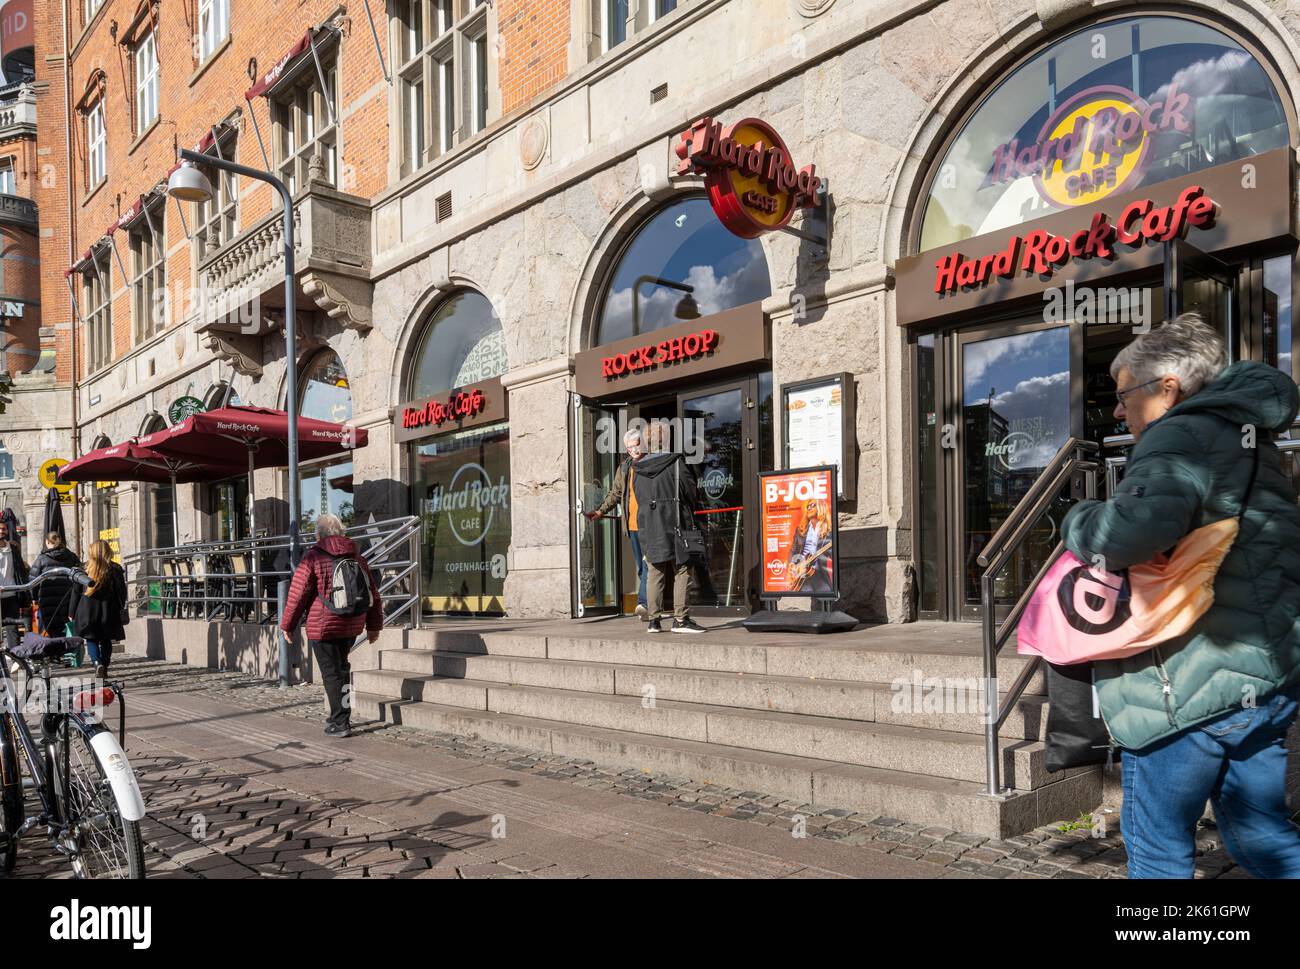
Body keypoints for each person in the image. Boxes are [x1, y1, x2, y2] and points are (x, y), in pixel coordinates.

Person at [1061, 313, 1300, 879]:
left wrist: (1079, 517)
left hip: (1188, 683)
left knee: (1158, 846)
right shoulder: (1247, 438)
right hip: (1262, 676)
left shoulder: (1181, 434)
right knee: (1260, 832)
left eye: (1124, 396)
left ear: (1166, 386)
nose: (1117, 411)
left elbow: (1125, 536)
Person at [280, 514, 384, 738]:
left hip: (324, 625)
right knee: (343, 669)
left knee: (332, 673)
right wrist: (373, 626)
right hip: (352, 623)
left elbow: (298, 595)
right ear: (342, 532)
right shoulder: (357, 557)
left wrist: (288, 625)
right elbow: (373, 594)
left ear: (318, 534)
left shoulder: (313, 557)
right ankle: (344, 715)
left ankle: (340, 721)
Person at [632, 423, 705, 634]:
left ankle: (653, 621)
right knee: (682, 569)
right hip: (675, 523)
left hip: (649, 524)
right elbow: (691, 492)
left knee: (655, 571)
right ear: (667, 439)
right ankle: (681, 620)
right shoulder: (675, 462)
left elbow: (638, 497)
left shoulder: (637, 468)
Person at [587, 427, 649, 618]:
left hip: (651, 524)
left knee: (650, 566)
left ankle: (645, 604)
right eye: (629, 448)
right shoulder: (624, 467)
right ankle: (651, 604)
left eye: (636, 445)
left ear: (644, 444)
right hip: (632, 526)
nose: (633, 450)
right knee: (641, 567)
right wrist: (600, 510)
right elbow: (615, 494)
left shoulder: (652, 463)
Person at [75, 540, 127, 679]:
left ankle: (97, 663)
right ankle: (104, 664)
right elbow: (121, 591)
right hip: (108, 610)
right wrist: (121, 605)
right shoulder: (114, 568)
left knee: (91, 639)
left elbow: (76, 591)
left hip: (88, 610)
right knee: (106, 640)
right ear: (107, 551)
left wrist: (71, 611)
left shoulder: (84, 568)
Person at [31, 532, 83, 637]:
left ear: (47, 542)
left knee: (48, 630)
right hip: (68, 599)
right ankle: (65, 651)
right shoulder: (72, 557)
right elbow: (80, 575)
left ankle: (53, 652)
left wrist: (34, 597)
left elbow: (33, 580)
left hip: (47, 600)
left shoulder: (42, 559)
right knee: (65, 630)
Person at [788, 498, 833, 594]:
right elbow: (793, 550)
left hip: (819, 574)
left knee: (828, 596)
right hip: (800, 573)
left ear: (821, 508)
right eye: (808, 506)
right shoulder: (801, 530)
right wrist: (792, 564)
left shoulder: (829, 532)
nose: (809, 508)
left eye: (813, 505)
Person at [0, 519, 30, 628]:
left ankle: (14, 646)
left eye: (3, 529)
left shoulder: (13, 549)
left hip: (11, 594)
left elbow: (21, 570)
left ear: (7, 531)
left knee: (13, 630)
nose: (1, 531)